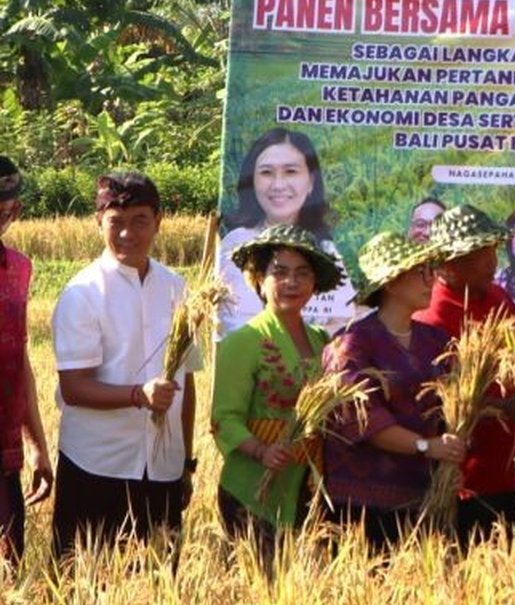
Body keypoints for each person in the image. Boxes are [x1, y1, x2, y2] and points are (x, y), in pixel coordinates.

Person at [50, 172, 197, 562]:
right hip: (96, 466)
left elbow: (187, 381)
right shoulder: (82, 293)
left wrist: (185, 462)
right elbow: (74, 388)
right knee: (81, 589)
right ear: (99, 222)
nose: (128, 233)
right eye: (116, 221)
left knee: (158, 593)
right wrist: (138, 396)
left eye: (140, 220)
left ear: (159, 221)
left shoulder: (177, 288)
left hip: (161, 469)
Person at [322, 231, 465, 553]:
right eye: (420, 271)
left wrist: (450, 453)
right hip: (360, 506)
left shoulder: (437, 341)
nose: (432, 279)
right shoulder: (351, 344)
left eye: (432, 270)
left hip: (421, 497)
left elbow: (454, 406)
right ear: (390, 283)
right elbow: (362, 419)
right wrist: (427, 446)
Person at [211, 224, 343, 568]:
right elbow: (224, 419)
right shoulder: (244, 342)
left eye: (302, 273)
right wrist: (261, 450)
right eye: (279, 272)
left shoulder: (321, 341)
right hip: (251, 490)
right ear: (259, 279)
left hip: (304, 490)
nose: (291, 282)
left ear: (315, 283)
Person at [415, 205, 515, 548]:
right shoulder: (431, 316)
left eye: (493, 250)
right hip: (462, 478)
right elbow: (436, 397)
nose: (492, 262)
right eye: (481, 253)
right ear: (450, 262)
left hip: (510, 471)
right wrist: (504, 407)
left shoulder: (499, 297)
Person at [218, 127, 356, 338]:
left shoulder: (326, 249)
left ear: (310, 182)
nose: (278, 184)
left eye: (290, 171)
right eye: (266, 173)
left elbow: (343, 323)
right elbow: (229, 325)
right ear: (252, 181)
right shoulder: (235, 245)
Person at [0, 156, 52, 565]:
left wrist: (36, 444)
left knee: (9, 571)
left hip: (5, 456)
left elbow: (19, 361)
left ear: (14, 210)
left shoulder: (18, 269)